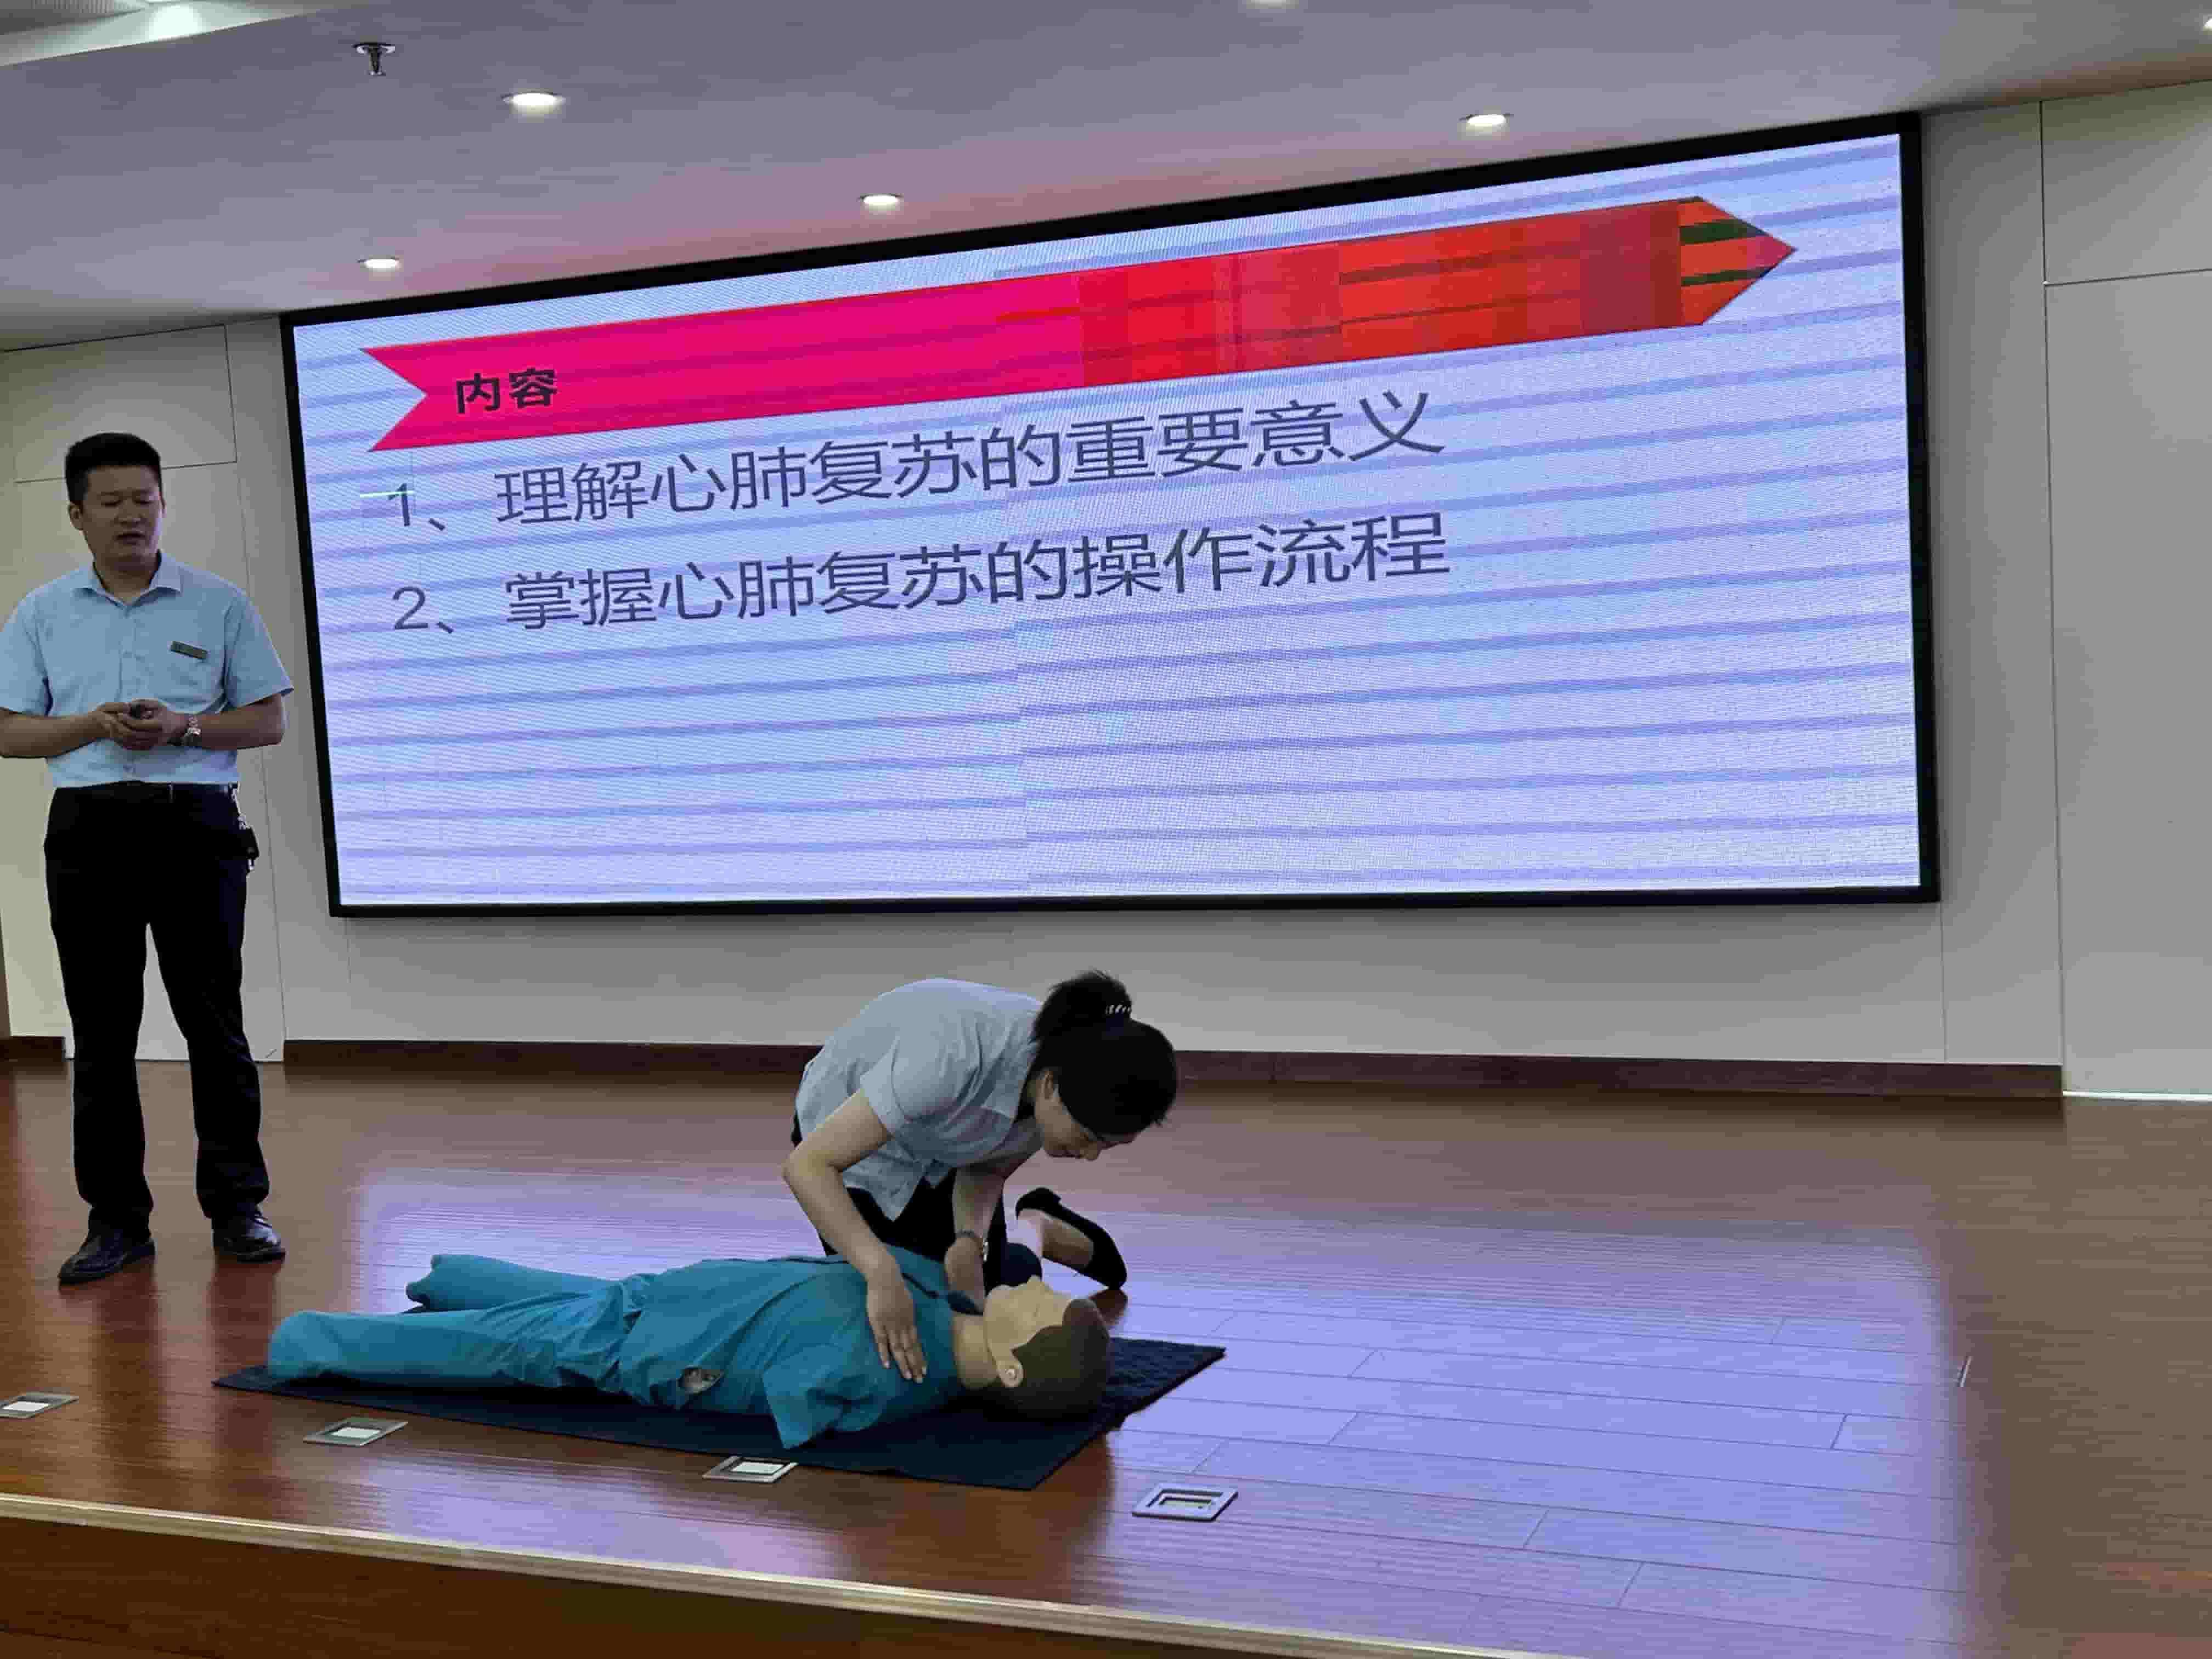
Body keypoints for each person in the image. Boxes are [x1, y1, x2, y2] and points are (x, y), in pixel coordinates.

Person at [0, 432, 293, 1288]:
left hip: (194, 826)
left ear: (164, 506)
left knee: (216, 1025)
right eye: (112, 502)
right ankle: (117, 1223)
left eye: (145, 500)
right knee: (101, 1032)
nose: (132, 516)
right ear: (77, 514)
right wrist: (92, 724)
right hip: (89, 830)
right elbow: (9, 731)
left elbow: (268, 720)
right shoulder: (42, 613)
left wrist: (184, 727)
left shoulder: (219, 604)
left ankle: (238, 1209)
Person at [265, 1245, 1113, 1449]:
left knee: (506, 1344)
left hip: (641, 1344)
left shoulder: (895, 1378)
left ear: (1010, 1365)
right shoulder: (935, 1303)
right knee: (572, 1297)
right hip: (672, 1298)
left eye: (1044, 1310)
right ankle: (450, 1275)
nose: (1043, 1289)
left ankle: (309, 1342)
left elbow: (796, 1401)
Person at [783, 969, 1176, 1385]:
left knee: (992, 1312)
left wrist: (968, 1243)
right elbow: (807, 1166)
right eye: (1088, 1137)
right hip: (850, 1157)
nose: (1091, 1155)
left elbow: (987, 1166)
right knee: (895, 1326)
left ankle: (1038, 1226)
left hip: (941, 1150)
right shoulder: (949, 1056)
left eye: (1107, 1146)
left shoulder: (1063, 1077)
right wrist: (879, 1271)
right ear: (1050, 1086)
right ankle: (1037, 1229)